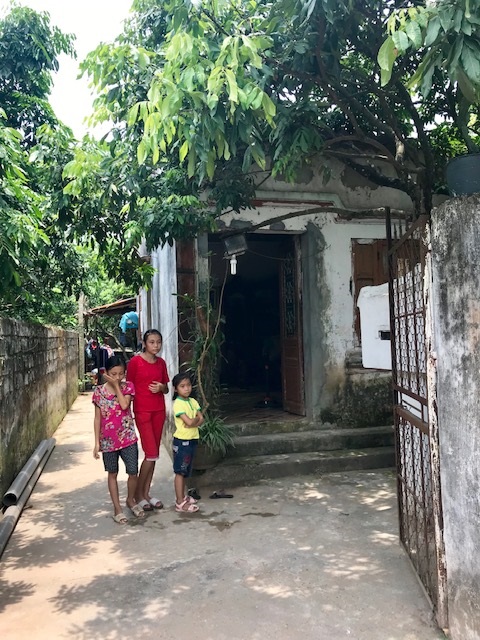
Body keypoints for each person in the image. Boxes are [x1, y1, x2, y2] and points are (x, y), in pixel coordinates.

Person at [92, 354, 144, 523]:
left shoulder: (128, 387)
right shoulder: (99, 392)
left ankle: (130, 500)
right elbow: (98, 418)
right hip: (108, 441)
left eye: (121, 373)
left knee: (132, 471)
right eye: (113, 374)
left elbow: (124, 405)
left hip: (128, 437)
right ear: (106, 372)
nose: (117, 377)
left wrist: (117, 385)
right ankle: (117, 508)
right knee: (112, 473)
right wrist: (96, 442)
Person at [126, 329, 169, 511]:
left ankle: (146, 494)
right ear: (144, 343)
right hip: (143, 411)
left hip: (159, 411)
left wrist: (161, 387)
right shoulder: (135, 362)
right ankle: (137, 495)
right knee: (150, 454)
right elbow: (128, 388)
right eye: (152, 342)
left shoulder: (161, 363)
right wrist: (126, 413)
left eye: (158, 342)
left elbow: (167, 389)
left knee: (154, 455)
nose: (156, 345)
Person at [171, 372, 204, 513]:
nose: (186, 389)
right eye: (182, 386)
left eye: (188, 385)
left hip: (192, 440)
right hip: (182, 441)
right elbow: (192, 421)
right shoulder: (178, 404)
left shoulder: (193, 401)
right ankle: (179, 502)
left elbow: (200, 418)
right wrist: (194, 422)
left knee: (185, 471)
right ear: (176, 389)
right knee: (180, 472)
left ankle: (183, 497)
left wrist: (193, 422)